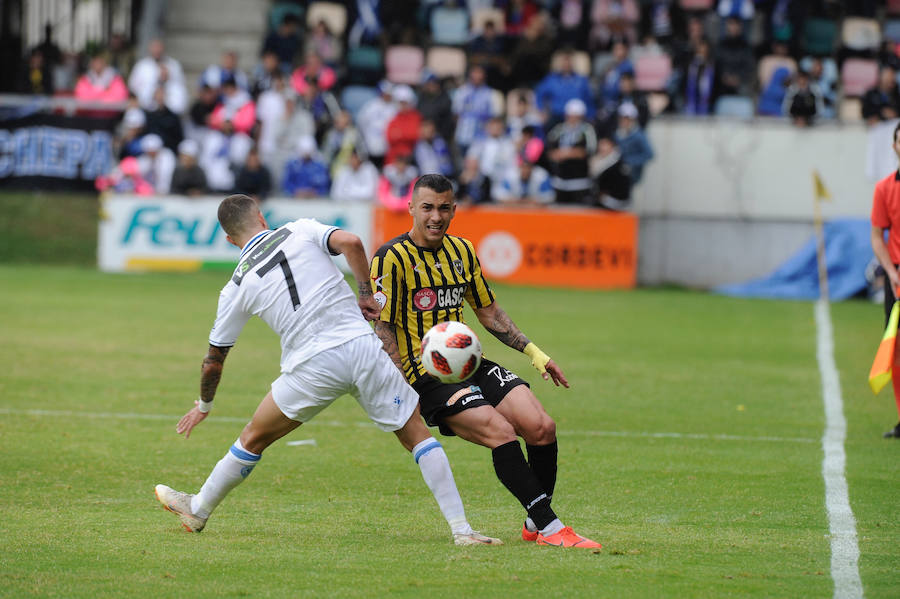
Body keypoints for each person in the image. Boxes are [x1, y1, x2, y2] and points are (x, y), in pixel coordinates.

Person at [154, 194, 500, 547]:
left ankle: (199, 509)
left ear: (229, 240)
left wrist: (204, 405)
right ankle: (463, 531)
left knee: (253, 438)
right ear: (261, 217)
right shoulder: (298, 229)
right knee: (416, 435)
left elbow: (214, 359)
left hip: (311, 366)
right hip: (362, 348)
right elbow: (351, 242)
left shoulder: (235, 286)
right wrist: (366, 294)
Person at [369, 174, 602, 548]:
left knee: (542, 427)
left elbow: (489, 313)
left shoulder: (462, 251)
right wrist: (400, 388)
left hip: (469, 362)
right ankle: (552, 528)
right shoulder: (391, 258)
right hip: (425, 375)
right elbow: (384, 329)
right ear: (411, 208)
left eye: (444, 208)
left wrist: (536, 354)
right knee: (501, 432)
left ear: (454, 210)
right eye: (427, 207)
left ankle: (534, 521)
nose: (436, 216)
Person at [869, 121, 900, 439]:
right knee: (897, 350)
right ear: (895, 147)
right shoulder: (884, 188)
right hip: (896, 282)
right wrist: (891, 272)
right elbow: (877, 236)